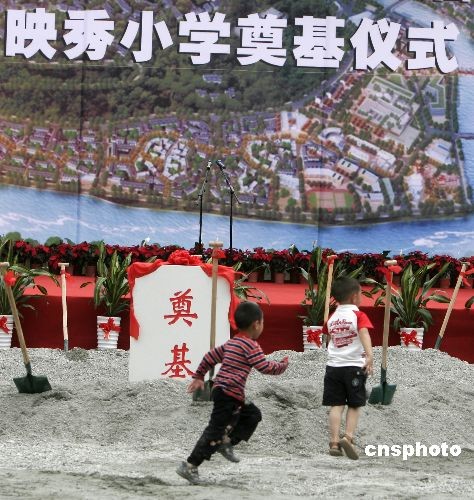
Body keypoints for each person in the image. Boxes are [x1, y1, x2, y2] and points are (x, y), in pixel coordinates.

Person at [177, 301, 289, 484]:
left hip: (226, 393)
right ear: (256, 324)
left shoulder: (232, 343)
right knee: (214, 430)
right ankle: (191, 465)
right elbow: (265, 367)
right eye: (263, 322)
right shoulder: (250, 346)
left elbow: (210, 357)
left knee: (252, 414)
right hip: (229, 394)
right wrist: (282, 366)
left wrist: (199, 376)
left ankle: (226, 441)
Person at [322, 277, 374, 460]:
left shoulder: (332, 317)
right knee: (354, 404)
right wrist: (369, 355)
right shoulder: (358, 315)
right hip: (354, 367)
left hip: (333, 367)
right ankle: (348, 438)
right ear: (354, 297)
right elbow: (364, 333)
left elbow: (328, 338)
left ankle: (334, 442)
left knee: (336, 405)